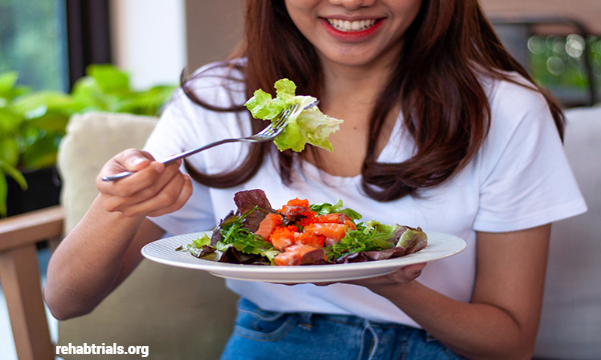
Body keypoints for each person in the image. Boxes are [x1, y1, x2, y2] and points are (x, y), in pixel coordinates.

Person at [44, 0, 588, 359]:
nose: (351, 0)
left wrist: (389, 282)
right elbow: (65, 301)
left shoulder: (505, 111)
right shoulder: (215, 103)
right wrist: (119, 203)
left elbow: (509, 341)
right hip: (273, 344)